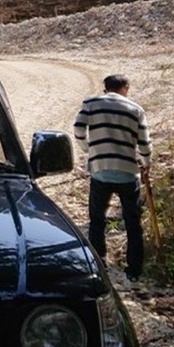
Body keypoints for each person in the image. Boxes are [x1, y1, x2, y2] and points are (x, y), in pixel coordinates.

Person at [73, 74, 153, 283]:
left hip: (100, 170)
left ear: (105, 88)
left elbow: (78, 130)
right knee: (133, 223)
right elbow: (144, 144)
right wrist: (146, 163)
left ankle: (100, 264)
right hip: (127, 173)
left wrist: (89, 150)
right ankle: (134, 270)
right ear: (125, 87)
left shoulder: (90, 104)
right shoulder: (135, 109)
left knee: (97, 221)